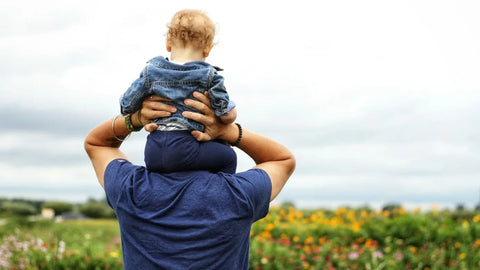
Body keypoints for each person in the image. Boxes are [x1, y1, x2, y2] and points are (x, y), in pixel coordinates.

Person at [84, 92, 296, 269]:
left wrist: (136, 119)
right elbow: (282, 160)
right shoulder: (238, 195)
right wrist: (229, 131)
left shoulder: (130, 189)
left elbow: (98, 144)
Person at [119, 9, 237, 173]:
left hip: (153, 151)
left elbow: (126, 106)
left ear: (168, 43)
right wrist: (230, 113)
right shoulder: (210, 76)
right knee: (228, 157)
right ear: (207, 50)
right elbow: (226, 115)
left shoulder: (150, 72)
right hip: (186, 147)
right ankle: (220, 195)